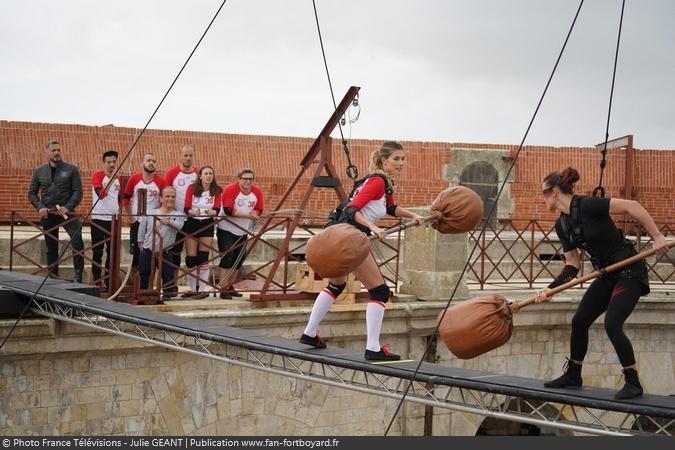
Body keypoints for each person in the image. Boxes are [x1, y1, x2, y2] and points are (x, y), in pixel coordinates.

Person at [534, 167, 669, 399]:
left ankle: (633, 381)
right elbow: (573, 265)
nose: (542, 198)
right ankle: (574, 374)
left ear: (554, 192)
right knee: (579, 320)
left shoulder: (588, 205)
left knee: (612, 324)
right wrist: (550, 289)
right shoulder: (562, 226)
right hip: (608, 274)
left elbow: (632, 206)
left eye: (544, 193)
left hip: (629, 270)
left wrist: (657, 237)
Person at [299, 141, 424, 361]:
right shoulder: (377, 181)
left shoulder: (382, 183)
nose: (401, 163)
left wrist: (413, 216)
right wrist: (374, 227)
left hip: (339, 234)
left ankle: (309, 333)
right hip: (349, 237)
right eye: (396, 159)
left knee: (336, 285)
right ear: (384, 160)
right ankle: (373, 347)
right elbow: (351, 208)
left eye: (403, 159)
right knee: (380, 292)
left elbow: (390, 209)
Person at [28, 139, 85, 282]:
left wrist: (68, 206)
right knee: (51, 247)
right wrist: (40, 207)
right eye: (53, 150)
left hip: (67, 213)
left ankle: (78, 276)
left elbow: (78, 192)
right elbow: (32, 193)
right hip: (48, 214)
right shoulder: (39, 171)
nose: (56, 153)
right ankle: (53, 277)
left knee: (77, 241)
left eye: (58, 150)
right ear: (47, 152)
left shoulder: (71, 169)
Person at [216, 168, 263, 299]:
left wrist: (256, 213)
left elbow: (259, 208)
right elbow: (228, 210)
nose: (248, 181)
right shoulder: (230, 189)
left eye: (250, 179)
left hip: (243, 230)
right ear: (239, 179)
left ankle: (230, 286)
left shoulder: (257, 192)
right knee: (227, 256)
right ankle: (223, 287)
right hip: (226, 228)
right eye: (245, 179)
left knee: (239, 259)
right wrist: (248, 215)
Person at [137, 186, 186, 299]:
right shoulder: (150, 213)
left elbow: (179, 227)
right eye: (167, 196)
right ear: (161, 198)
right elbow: (142, 229)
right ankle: (142, 294)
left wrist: (168, 222)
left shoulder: (178, 215)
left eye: (173, 197)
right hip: (148, 249)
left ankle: (167, 297)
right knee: (144, 272)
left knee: (167, 275)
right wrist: (140, 243)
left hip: (166, 250)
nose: (170, 199)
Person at [121, 153, 165, 276]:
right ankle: (135, 285)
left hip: (153, 224)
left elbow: (165, 201)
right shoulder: (134, 179)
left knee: (152, 255)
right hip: (137, 222)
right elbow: (125, 198)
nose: (151, 163)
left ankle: (149, 288)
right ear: (143, 163)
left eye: (154, 161)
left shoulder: (161, 181)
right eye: (148, 160)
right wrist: (131, 217)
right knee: (135, 254)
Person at [163, 144, 199, 293]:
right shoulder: (172, 173)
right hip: (176, 218)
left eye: (190, 155)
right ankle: (171, 285)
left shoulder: (199, 173)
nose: (188, 158)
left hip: (193, 219)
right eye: (185, 155)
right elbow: (166, 193)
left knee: (193, 256)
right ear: (180, 156)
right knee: (173, 254)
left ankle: (195, 288)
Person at [183, 166, 222, 299]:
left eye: (211, 173)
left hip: (207, 223)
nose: (208, 176)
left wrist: (213, 212)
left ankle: (202, 289)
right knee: (191, 258)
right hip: (192, 222)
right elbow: (186, 207)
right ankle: (193, 288)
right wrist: (192, 212)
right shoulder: (191, 188)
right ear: (200, 176)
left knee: (203, 258)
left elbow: (217, 207)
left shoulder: (216, 190)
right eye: (205, 173)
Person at [90, 149, 121, 290]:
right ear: (104, 163)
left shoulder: (118, 179)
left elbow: (119, 198)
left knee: (112, 251)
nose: (112, 165)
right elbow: (101, 195)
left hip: (113, 220)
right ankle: (97, 280)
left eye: (114, 162)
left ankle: (109, 281)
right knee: (98, 251)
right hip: (98, 218)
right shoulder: (98, 175)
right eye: (109, 162)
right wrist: (111, 179)